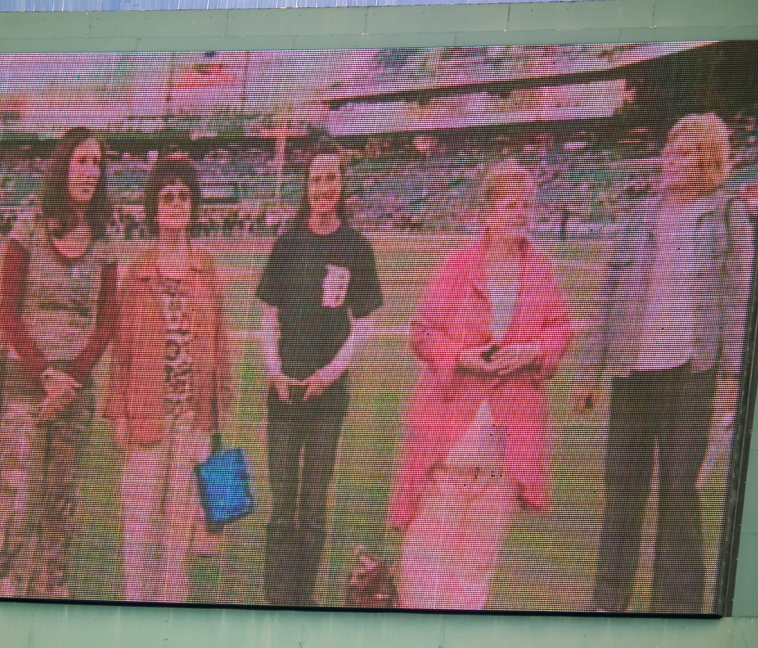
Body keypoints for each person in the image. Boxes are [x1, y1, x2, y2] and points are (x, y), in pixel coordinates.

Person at [574, 113, 754, 614]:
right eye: (675, 149)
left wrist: (735, 375)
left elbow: (740, 299)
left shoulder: (727, 213)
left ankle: (675, 607)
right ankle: (608, 601)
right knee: (622, 491)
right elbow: (609, 295)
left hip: (691, 373)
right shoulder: (640, 215)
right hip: (632, 371)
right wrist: (588, 372)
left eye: (692, 152)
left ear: (711, 162)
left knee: (679, 490)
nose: (678, 159)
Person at [389, 160, 571, 610]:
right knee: (424, 577)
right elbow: (422, 332)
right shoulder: (458, 267)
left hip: (505, 448)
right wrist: (461, 357)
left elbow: (561, 330)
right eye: (507, 204)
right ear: (488, 211)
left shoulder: (540, 270)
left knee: (474, 576)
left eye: (523, 205)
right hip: (449, 438)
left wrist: (531, 352)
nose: (517, 214)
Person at [0, 127, 118, 598]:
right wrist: (44, 372)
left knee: (60, 510)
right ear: (63, 166)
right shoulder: (30, 225)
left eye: (96, 164)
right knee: (16, 503)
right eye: (81, 161)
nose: (89, 172)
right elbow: (7, 312)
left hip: (74, 394)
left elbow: (107, 321)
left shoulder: (104, 238)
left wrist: (71, 377)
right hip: (25, 387)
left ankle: (49, 597)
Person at [255, 142, 383, 606]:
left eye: (331, 178)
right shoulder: (288, 244)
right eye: (315, 178)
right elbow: (268, 317)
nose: (323, 187)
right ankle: (277, 600)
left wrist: (328, 374)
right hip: (285, 395)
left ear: (342, 186)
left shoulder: (356, 247)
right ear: (305, 186)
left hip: (327, 398)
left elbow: (364, 324)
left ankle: (303, 600)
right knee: (281, 507)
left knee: (312, 508)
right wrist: (275, 372)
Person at [106, 152, 231, 603]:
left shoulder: (207, 266)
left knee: (180, 531)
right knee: (141, 526)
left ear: (194, 204)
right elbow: (122, 349)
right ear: (153, 208)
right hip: (146, 412)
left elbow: (221, 344)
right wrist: (118, 412)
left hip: (193, 419)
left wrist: (218, 417)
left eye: (183, 196)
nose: (176, 204)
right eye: (167, 196)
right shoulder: (137, 270)